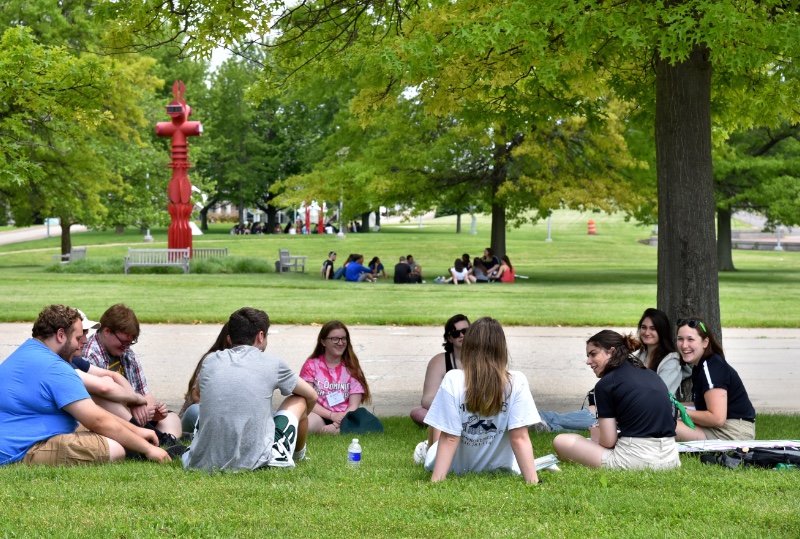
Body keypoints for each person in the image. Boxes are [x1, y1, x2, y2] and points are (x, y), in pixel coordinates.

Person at [0, 305, 170, 466]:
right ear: (61, 335)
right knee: (113, 448)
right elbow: (98, 420)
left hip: (19, 436)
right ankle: (138, 448)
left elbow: (93, 414)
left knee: (87, 425)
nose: (82, 342)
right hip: (20, 450)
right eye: (78, 337)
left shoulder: (27, 351)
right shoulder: (55, 367)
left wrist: (137, 431)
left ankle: (136, 441)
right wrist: (148, 449)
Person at [183, 307, 317, 471]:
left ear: (230, 338)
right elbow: (311, 396)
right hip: (257, 460)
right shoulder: (272, 363)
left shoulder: (210, 361)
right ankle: (297, 455)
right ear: (260, 336)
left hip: (204, 460)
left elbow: (197, 395)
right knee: (299, 399)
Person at [423, 317, 541, 483]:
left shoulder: (453, 379)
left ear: (469, 347)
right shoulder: (517, 381)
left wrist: (436, 482)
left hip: (455, 467)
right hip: (499, 467)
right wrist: (533, 482)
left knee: (439, 426)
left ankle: (424, 449)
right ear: (501, 348)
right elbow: (519, 437)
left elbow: (450, 438)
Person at [553, 330, 680, 470]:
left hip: (635, 459)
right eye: (588, 356)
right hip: (671, 457)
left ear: (611, 352)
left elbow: (608, 442)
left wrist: (598, 436)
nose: (588, 361)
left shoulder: (606, 384)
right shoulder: (650, 374)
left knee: (562, 441)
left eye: (593, 354)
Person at [83, 304, 182, 442]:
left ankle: (168, 440)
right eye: (123, 342)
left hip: (135, 415)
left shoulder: (127, 354)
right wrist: (133, 404)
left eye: (130, 343)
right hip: (114, 416)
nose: (126, 347)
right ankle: (158, 438)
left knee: (172, 418)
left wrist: (154, 413)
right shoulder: (90, 355)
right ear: (107, 331)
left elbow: (144, 393)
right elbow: (100, 399)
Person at [674, 317, 756, 442]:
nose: (684, 345)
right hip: (725, 426)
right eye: (680, 339)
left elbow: (717, 418)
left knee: (663, 424)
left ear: (705, 342)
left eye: (690, 339)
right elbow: (701, 405)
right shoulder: (701, 365)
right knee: (663, 419)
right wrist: (672, 406)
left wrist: (679, 412)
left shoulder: (711, 367)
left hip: (734, 432)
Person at [411, 315, 470, 463]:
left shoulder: (481, 359)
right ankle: (434, 452)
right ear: (449, 338)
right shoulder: (439, 362)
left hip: (474, 409)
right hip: (447, 410)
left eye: (465, 331)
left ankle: (434, 451)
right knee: (418, 413)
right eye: (456, 333)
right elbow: (427, 398)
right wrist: (451, 405)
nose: (461, 335)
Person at [299, 321, 372, 435]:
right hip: (319, 414)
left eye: (343, 339)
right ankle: (332, 431)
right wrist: (331, 415)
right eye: (335, 339)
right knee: (304, 426)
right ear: (323, 341)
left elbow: (354, 405)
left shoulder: (353, 367)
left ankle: (337, 430)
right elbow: (308, 400)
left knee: (358, 427)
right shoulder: (311, 365)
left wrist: (336, 424)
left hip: (346, 415)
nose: (340, 342)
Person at [178, 323, 231, 437]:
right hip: (199, 417)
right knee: (195, 411)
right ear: (229, 339)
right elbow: (196, 397)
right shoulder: (213, 359)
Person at [635, 308, 691, 397]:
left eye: (653, 328)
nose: (647, 332)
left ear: (662, 331)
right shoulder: (639, 356)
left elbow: (657, 393)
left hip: (657, 409)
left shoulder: (671, 362)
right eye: (644, 327)